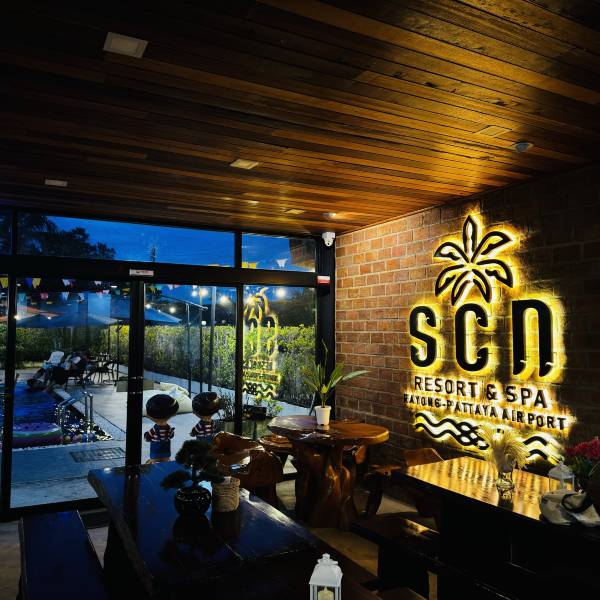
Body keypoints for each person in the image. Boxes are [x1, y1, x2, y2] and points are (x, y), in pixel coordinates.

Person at [144, 393, 179, 463]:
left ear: (150, 416)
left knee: (154, 459)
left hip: (155, 448)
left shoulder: (155, 428)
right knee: (166, 458)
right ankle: (166, 462)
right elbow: (171, 435)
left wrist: (146, 436)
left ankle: (153, 462)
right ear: (173, 414)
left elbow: (148, 437)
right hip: (166, 447)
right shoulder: (168, 427)